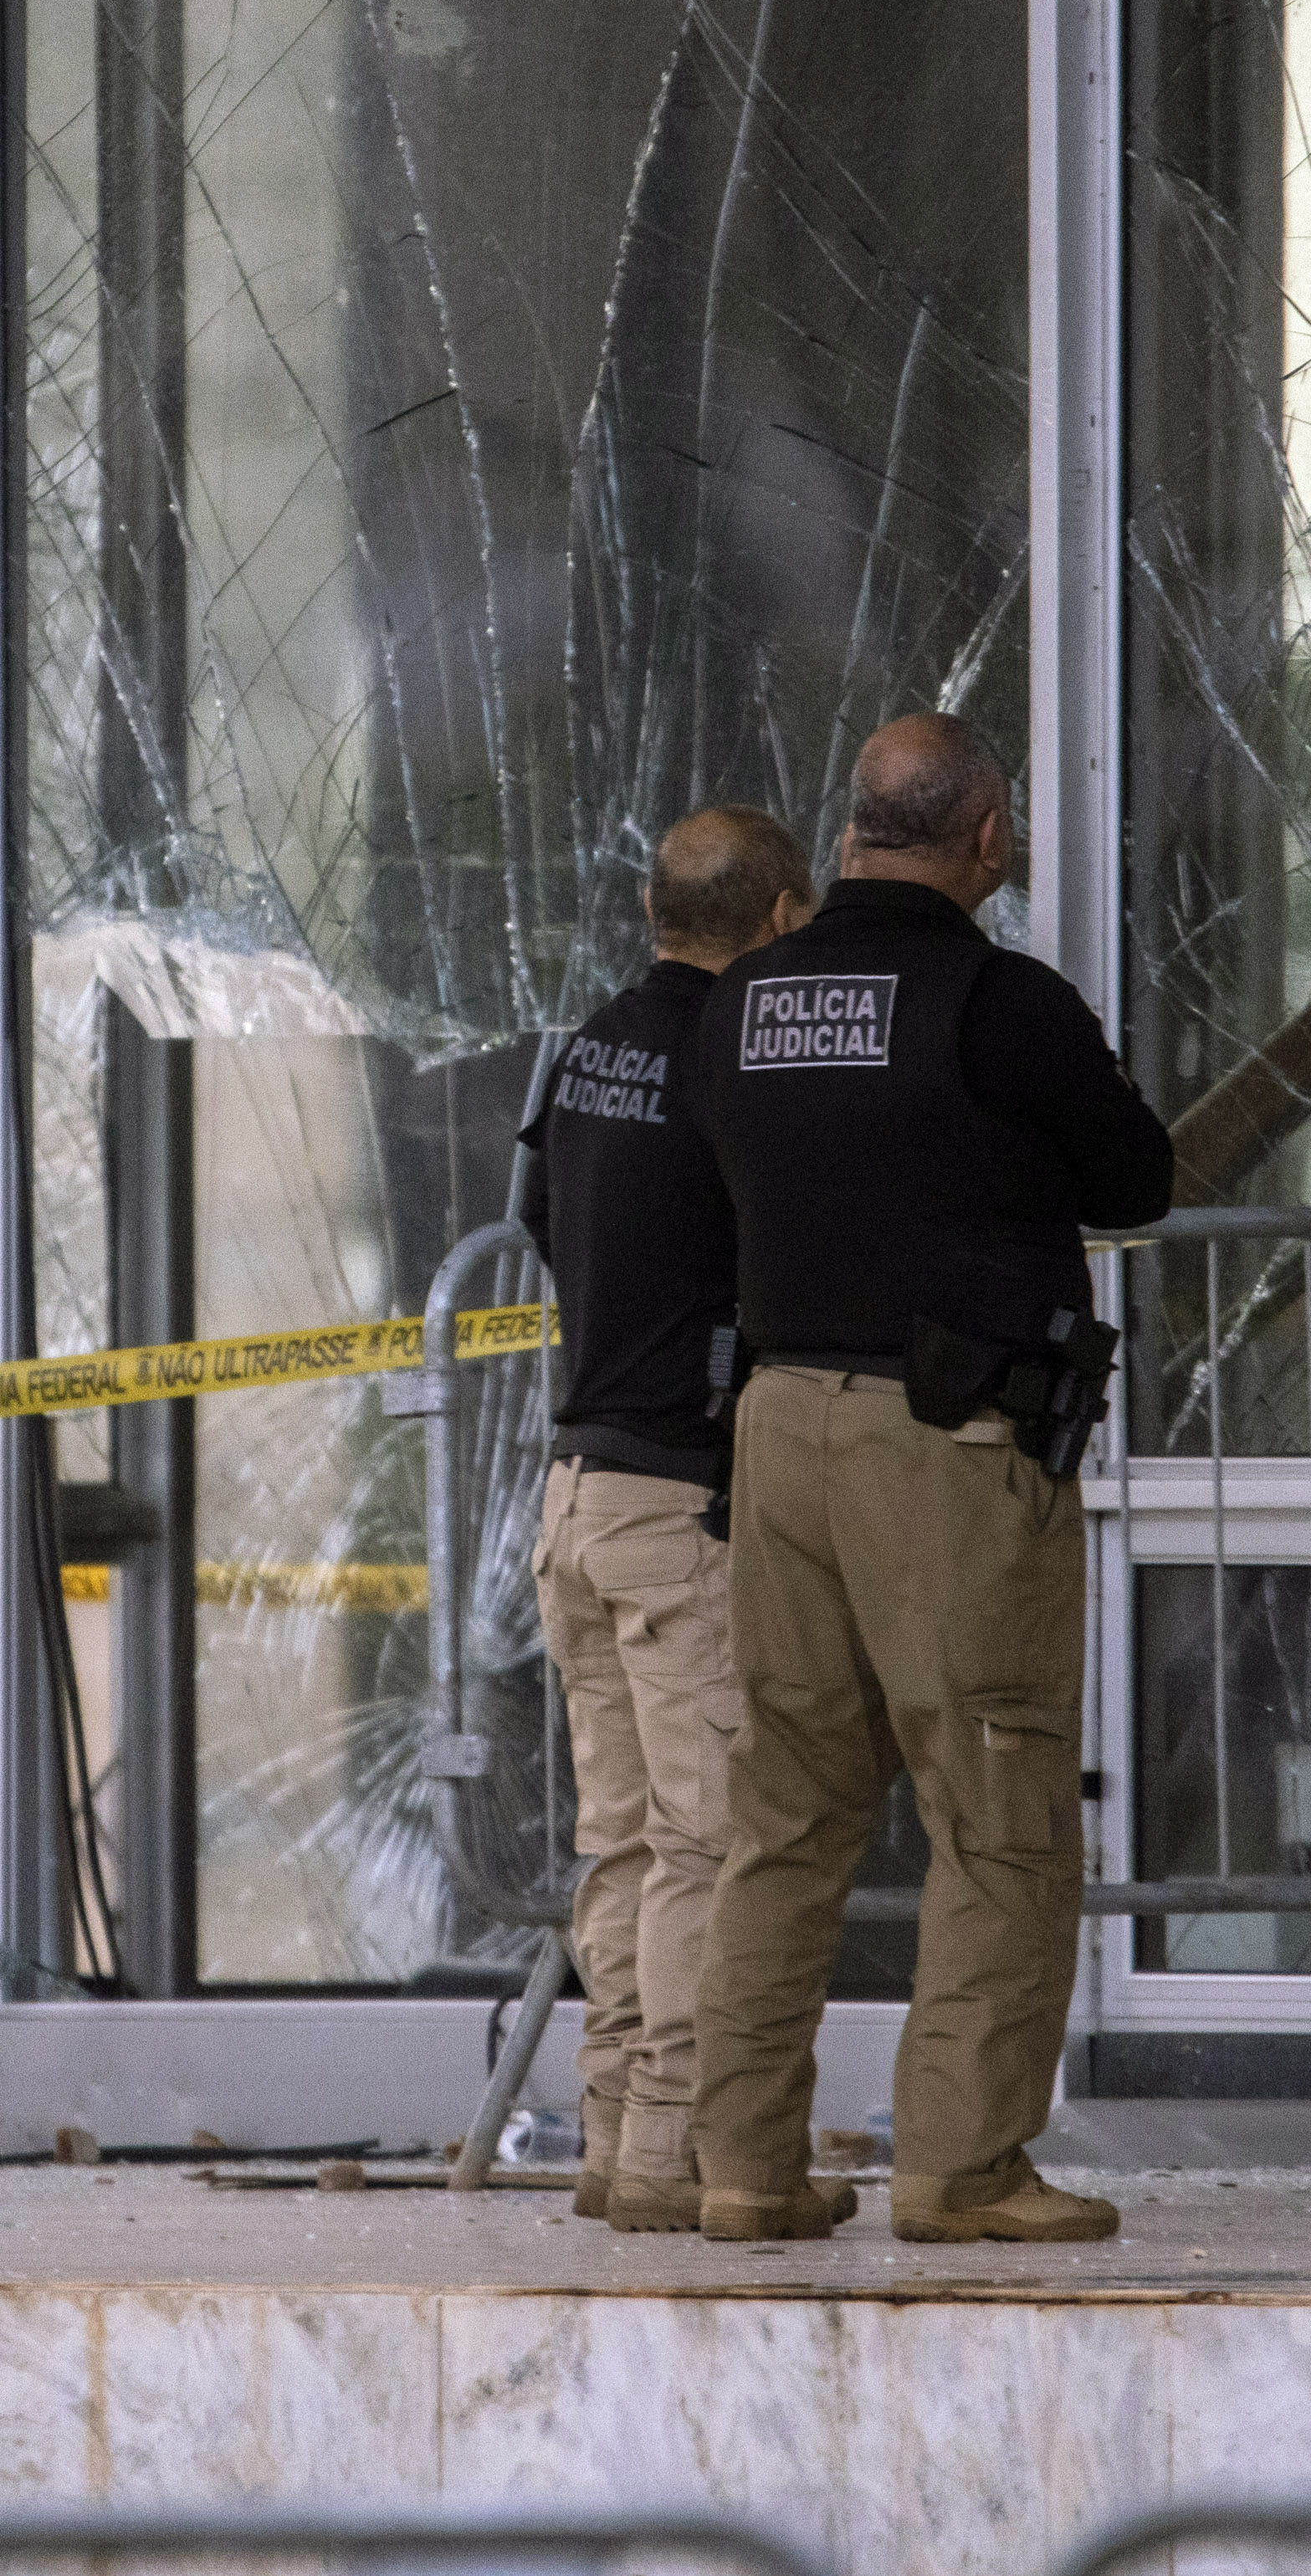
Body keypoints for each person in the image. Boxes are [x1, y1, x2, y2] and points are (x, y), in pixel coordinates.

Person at [681, 712, 1179, 2247]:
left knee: (784, 1814)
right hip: (945, 1453)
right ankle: (960, 2165)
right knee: (998, 1807)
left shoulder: (746, 999)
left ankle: (744, 2169)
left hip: (775, 1437)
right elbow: (1136, 1184)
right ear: (989, 840)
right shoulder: (998, 1001)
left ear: (847, 836)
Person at [515, 804, 812, 2230]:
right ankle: (673, 2153)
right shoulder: (730, 1062)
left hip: (569, 1495)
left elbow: (539, 1222)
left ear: (652, 906)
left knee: (622, 1841)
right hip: (672, 1502)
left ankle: (609, 2133)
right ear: (780, 918)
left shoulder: (588, 1051)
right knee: (700, 1843)